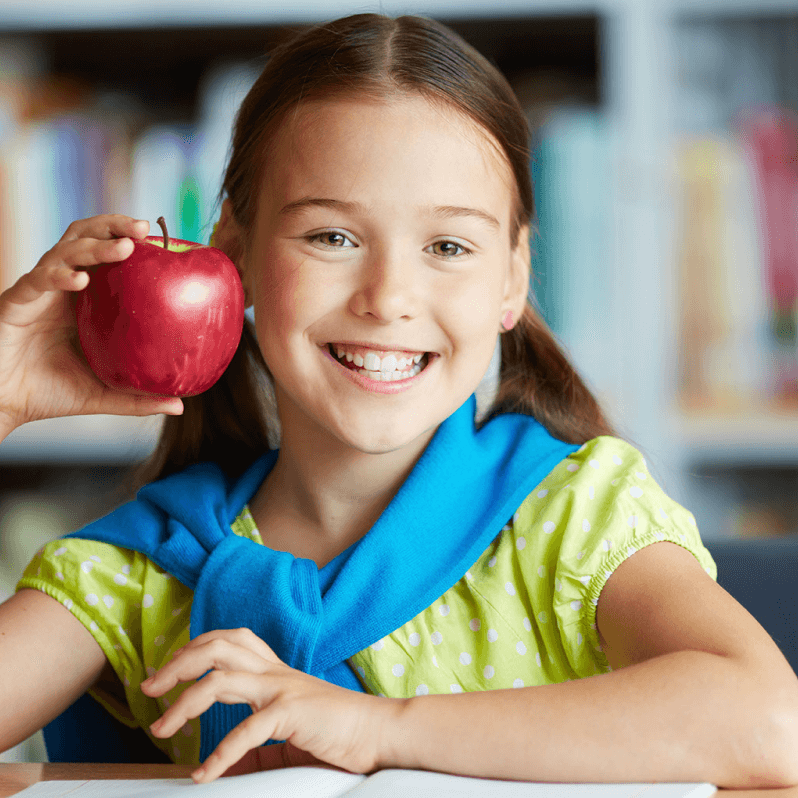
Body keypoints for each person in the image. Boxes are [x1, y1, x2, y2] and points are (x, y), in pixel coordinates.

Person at [1, 12, 797, 789]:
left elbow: (770, 723)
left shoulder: (574, 520)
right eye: (332, 237)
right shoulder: (143, 568)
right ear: (232, 252)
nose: (387, 299)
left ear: (513, 278)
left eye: (448, 246)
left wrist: (377, 730)